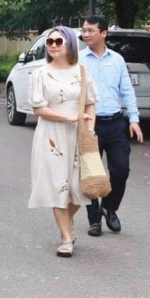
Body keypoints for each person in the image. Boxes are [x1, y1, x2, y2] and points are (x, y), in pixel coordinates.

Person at [28, 27, 97, 258]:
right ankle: (66, 239)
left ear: (70, 44)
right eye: (50, 42)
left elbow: (90, 104)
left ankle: (67, 221)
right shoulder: (40, 73)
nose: (53, 45)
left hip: (78, 135)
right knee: (58, 186)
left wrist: (90, 130)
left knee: (79, 189)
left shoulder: (83, 72)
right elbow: (39, 109)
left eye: (59, 41)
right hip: (51, 135)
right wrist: (69, 117)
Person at [80, 15, 143, 237]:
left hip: (116, 123)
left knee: (121, 170)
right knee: (90, 174)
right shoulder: (78, 60)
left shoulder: (117, 60)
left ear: (104, 33)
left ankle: (109, 207)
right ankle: (94, 220)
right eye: (84, 30)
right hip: (89, 125)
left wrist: (134, 119)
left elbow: (127, 91)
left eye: (90, 30)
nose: (85, 34)